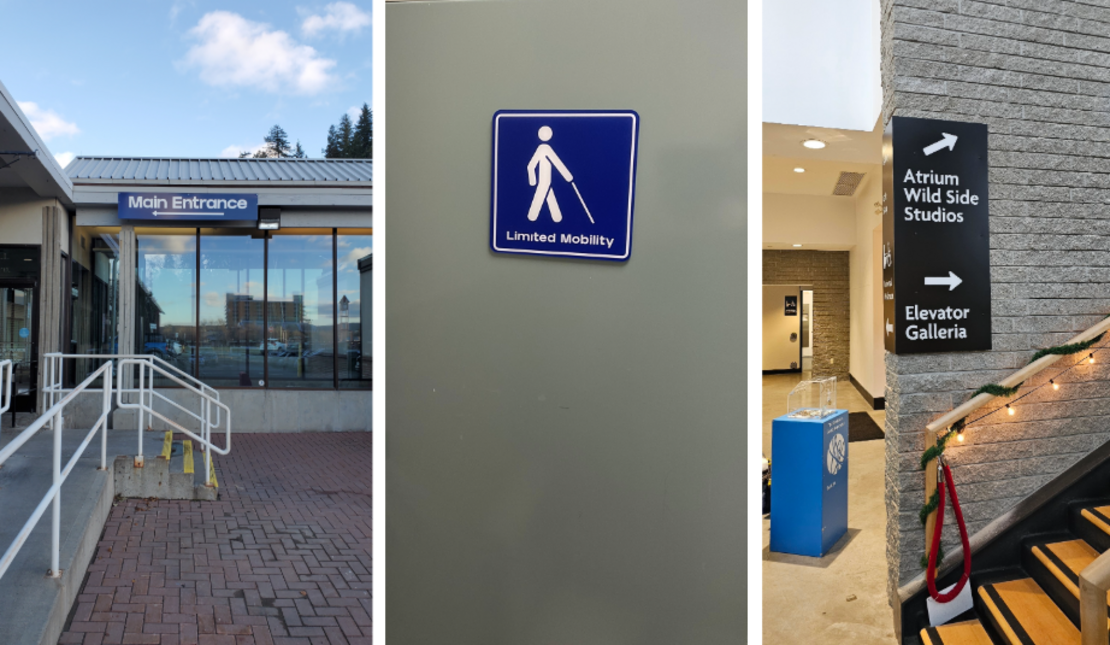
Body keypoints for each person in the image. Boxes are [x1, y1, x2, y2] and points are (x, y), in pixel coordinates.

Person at [526, 126, 574, 222]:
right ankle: (532, 216)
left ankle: (557, 217)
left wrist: (568, 177)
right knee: (542, 192)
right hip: (544, 179)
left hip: (547, 179)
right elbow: (557, 163)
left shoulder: (543, 149)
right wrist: (568, 176)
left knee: (548, 192)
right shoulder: (545, 149)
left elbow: (531, 166)